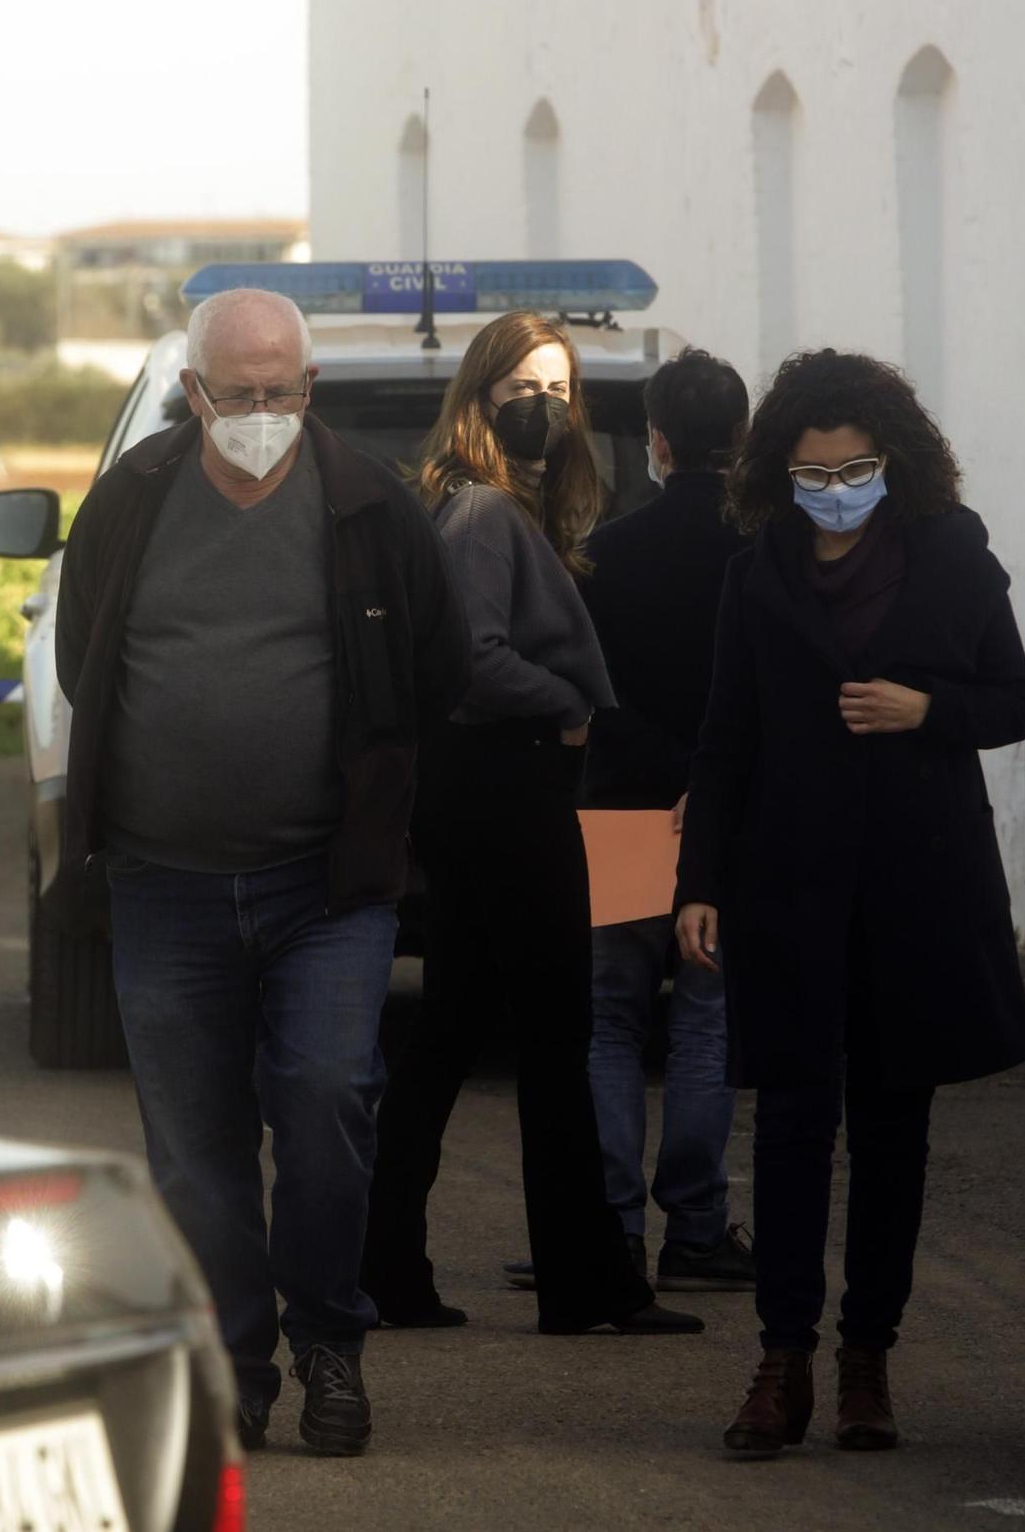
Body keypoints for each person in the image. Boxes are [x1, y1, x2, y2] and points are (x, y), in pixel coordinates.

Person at [54, 287, 471, 1458]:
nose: (259, 413)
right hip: (165, 884)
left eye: (280, 391)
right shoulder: (131, 502)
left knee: (329, 1104)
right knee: (194, 1155)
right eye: (236, 394)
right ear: (191, 393)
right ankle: (229, 1364)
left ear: (308, 388)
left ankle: (328, 1338)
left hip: (325, 890)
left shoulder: (371, 505)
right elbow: (91, 657)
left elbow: (434, 673)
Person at [672, 349, 1025, 1455]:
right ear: (776, 471)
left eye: (855, 466)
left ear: (895, 459)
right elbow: (724, 733)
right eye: (811, 470)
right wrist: (697, 883)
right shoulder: (757, 568)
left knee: (891, 1126)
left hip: (914, 880)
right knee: (788, 1119)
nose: (834, 487)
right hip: (785, 880)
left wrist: (924, 706)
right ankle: (778, 1358)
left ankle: (865, 1359)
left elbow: (1014, 697)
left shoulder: (949, 552)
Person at [361, 311, 704, 1339]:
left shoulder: (496, 510)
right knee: (553, 1035)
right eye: (522, 384)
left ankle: (387, 1267)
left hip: (487, 796)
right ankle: (585, 1286)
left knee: (452, 1029)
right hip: (504, 793)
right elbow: (471, 661)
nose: (543, 406)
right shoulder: (479, 515)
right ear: (478, 393)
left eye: (559, 389)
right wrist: (569, 706)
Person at [502, 347, 757, 1297]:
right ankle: (695, 1227)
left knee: (608, 1021)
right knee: (707, 1020)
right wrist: (714, 782)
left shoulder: (608, 552)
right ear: (742, 437)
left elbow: (591, 695)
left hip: (620, 807)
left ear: (654, 442)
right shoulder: (769, 551)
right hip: (729, 819)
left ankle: (608, 1226)